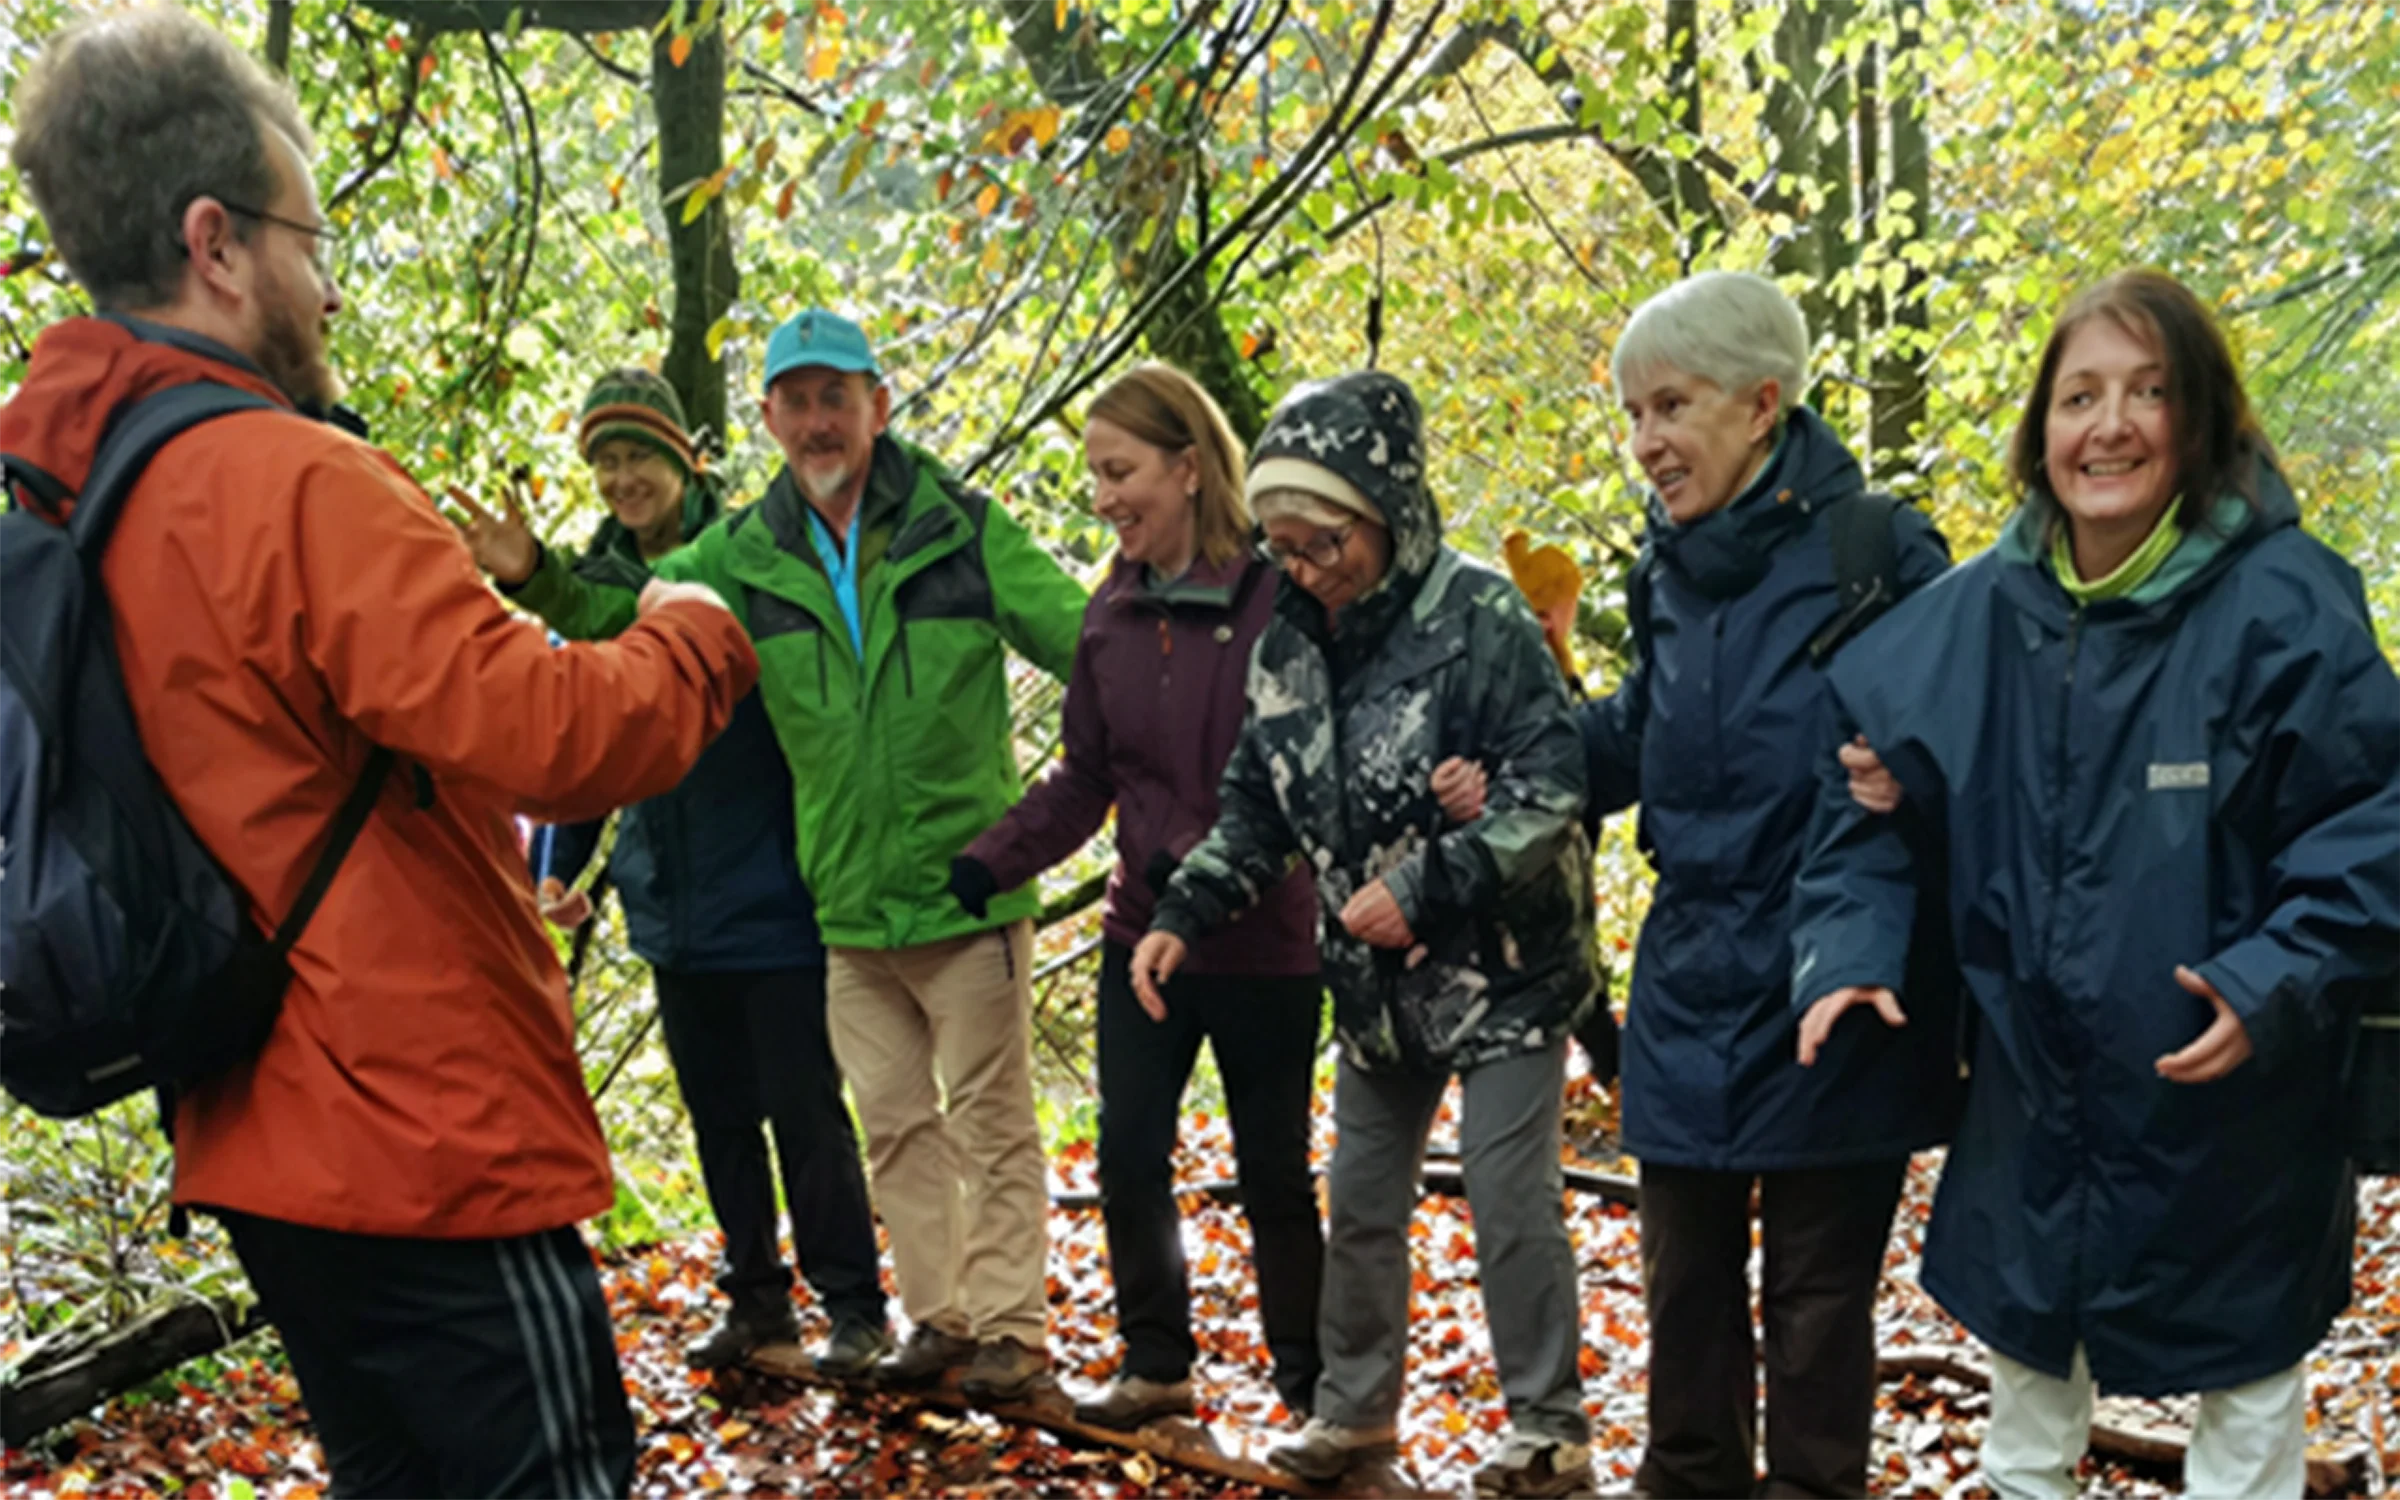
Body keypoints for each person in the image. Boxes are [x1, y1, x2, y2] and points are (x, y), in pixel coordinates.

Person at [2, 9, 759, 1496]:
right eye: (309, 231)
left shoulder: (72, 492)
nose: (328, 283)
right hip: (426, 1132)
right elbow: (556, 738)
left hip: (253, 1122)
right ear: (216, 242)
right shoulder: (286, 478)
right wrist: (692, 625)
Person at [1793, 269, 2400, 1499]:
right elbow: (1861, 802)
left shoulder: (2289, 606)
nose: (2108, 425)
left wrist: (2271, 977)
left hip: (2235, 1108)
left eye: (2147, 391)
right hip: (2033, 1104)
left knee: (2246, 1415)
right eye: (2079, 395)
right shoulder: (1970, 618)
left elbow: (2374, 824)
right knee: (2025, 1420)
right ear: (2040, 429)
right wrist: (1853, 955)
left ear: (2204, 419)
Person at [458, 309, 1088, 1402]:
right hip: (843, 904)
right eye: (794, 403)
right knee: (893, 1128)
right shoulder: (748, 554)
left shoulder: (960, 528)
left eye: (834, 397)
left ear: (876, 407)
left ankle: (1013, 1333)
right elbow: (632, 611)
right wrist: (539, 577)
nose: (815, 421)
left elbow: (1092, 648)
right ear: (768, 421)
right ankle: (938, 1320)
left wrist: (1091, 797)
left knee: (988, 1124)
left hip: (967, 892)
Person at [1129, 371, 1601, 1499]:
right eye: (1282, 545)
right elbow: (1257, 807)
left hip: (1508, 973)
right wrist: (1182, 915)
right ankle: (1353, 1417)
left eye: (1323, 541)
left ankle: (1548, 1429)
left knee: (1506, 1194)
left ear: (1386, 511)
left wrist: (1434, 881)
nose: (1303, 568)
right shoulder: (1287, 643)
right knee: (1364, 1196)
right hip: (1376, 991)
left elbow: (1556, 781)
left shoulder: (1480, 616)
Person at [1571, 270, 1956, 1500]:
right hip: (1688, 979)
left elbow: (1955, 754)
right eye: (1633, 414)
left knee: (1815, 1303)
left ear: (1762, 404)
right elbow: (1640, 736)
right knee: (1682, 1291)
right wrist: (1522, 747)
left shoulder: (1880, 553)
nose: (1646, 445)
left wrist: (1912, 782)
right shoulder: (1662, 572)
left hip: (1836, 984)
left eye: (1670, 408)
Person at [950, 363, 1325, 1429]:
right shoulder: (1110, 614)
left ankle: (1306, 1387)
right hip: (1137, 941)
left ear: (1189, 467)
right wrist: (993, 858)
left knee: (1273, 1176)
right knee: (1128, 1157)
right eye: (1096, 478)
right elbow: (1085, 776)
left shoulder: (1276, 606)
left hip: (1263, 945)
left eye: (1122, 472)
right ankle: (1157, 1362)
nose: (1107, 497)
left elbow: (1294, 781)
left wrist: (1202, 876)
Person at [514, 368, 888, 1377]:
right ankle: (758, 1306)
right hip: (669, 903)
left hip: (772, 893)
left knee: (806, 1112)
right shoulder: (585, 589)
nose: (622, 477)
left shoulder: (752, 556)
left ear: (686, 458)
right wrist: (562, 869)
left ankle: (854, 1307)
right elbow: (590, 747)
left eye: (639, 455)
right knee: (720, 1120)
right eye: (605, 460)